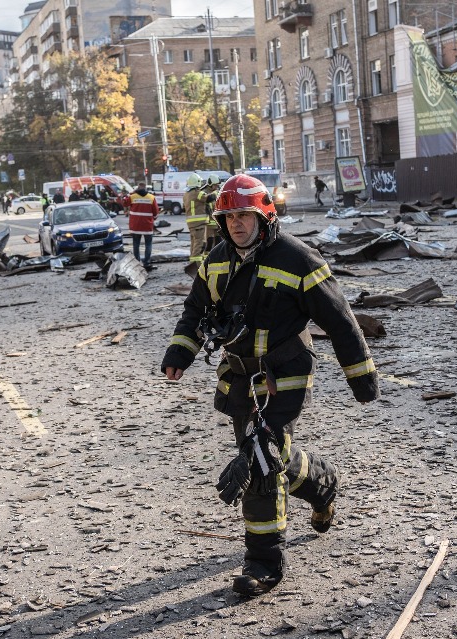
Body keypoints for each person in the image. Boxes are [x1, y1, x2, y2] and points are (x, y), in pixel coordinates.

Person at [161, 174, 379, 597]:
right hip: (239, 376)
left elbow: (340, 321)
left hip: (286, 375)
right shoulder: (217, 259)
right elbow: (194, 311)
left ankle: (263, 564)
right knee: (271, 453)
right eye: (229, 217)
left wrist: (362, 377)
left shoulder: (300, 259)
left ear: (265, 215)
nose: (237, 224)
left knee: (259, 458)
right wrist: (179, 354)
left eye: (245, 215)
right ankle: (322, 483)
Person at [128, 181, 159, 270]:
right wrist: (152, 219)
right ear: (146, 188)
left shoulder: (132, 197)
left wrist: (132, 192)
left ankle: (137, 263)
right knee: (148, 245)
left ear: (138, 188)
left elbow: (124, 202)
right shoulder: (151, 198)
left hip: (135, 226)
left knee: (136, 245)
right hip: (147, 226)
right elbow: (156, 213)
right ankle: (147, 263)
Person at [183, 173, 209, 265]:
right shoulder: (197, 193)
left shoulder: (186, 194)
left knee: (194, 243)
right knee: (199, 244)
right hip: (199, 223)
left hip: (191, 223)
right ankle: (195, 265)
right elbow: (209, 198)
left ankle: (193, 262)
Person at [201, 174, 222, 253]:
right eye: (215, 185)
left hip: (217, 222)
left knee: (218, 242)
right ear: (210, 184)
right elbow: (207, 202)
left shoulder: (216, 192)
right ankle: (207, 260)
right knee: (209, 242)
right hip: (209, 223)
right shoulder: (204, 193)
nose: (217, 187)